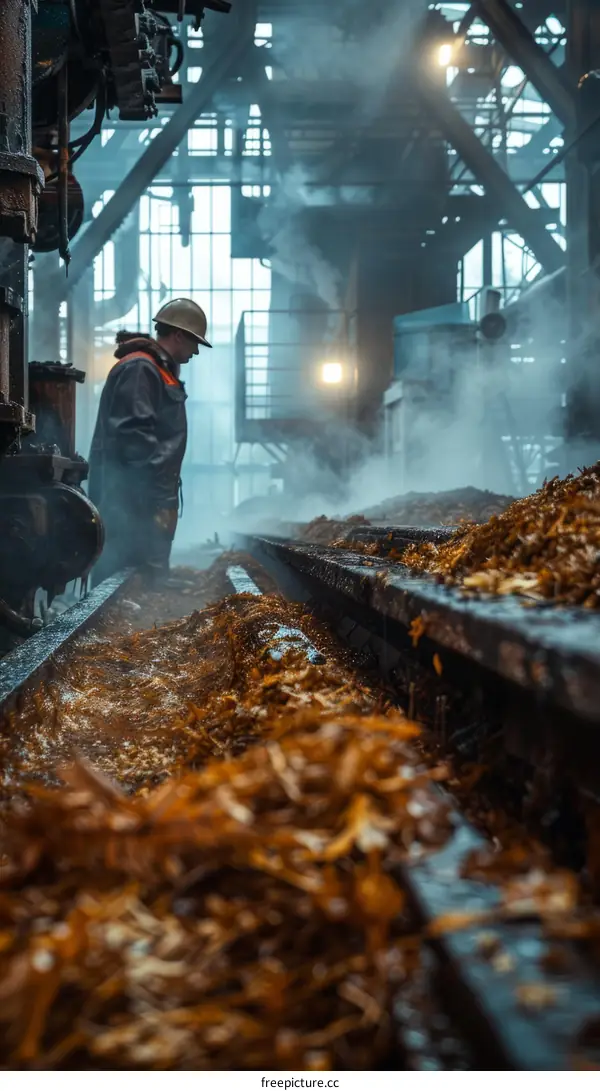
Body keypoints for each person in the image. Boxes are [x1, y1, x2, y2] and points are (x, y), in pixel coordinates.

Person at [88, 298, 211, 585]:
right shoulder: (141, 369)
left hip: (145, 494)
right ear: (178, 335)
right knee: (121, 578)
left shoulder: (157, 369)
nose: (196, 351)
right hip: (132, 498)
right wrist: (150, 495)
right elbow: (134, 437)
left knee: (139, 579)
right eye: (194, 342)